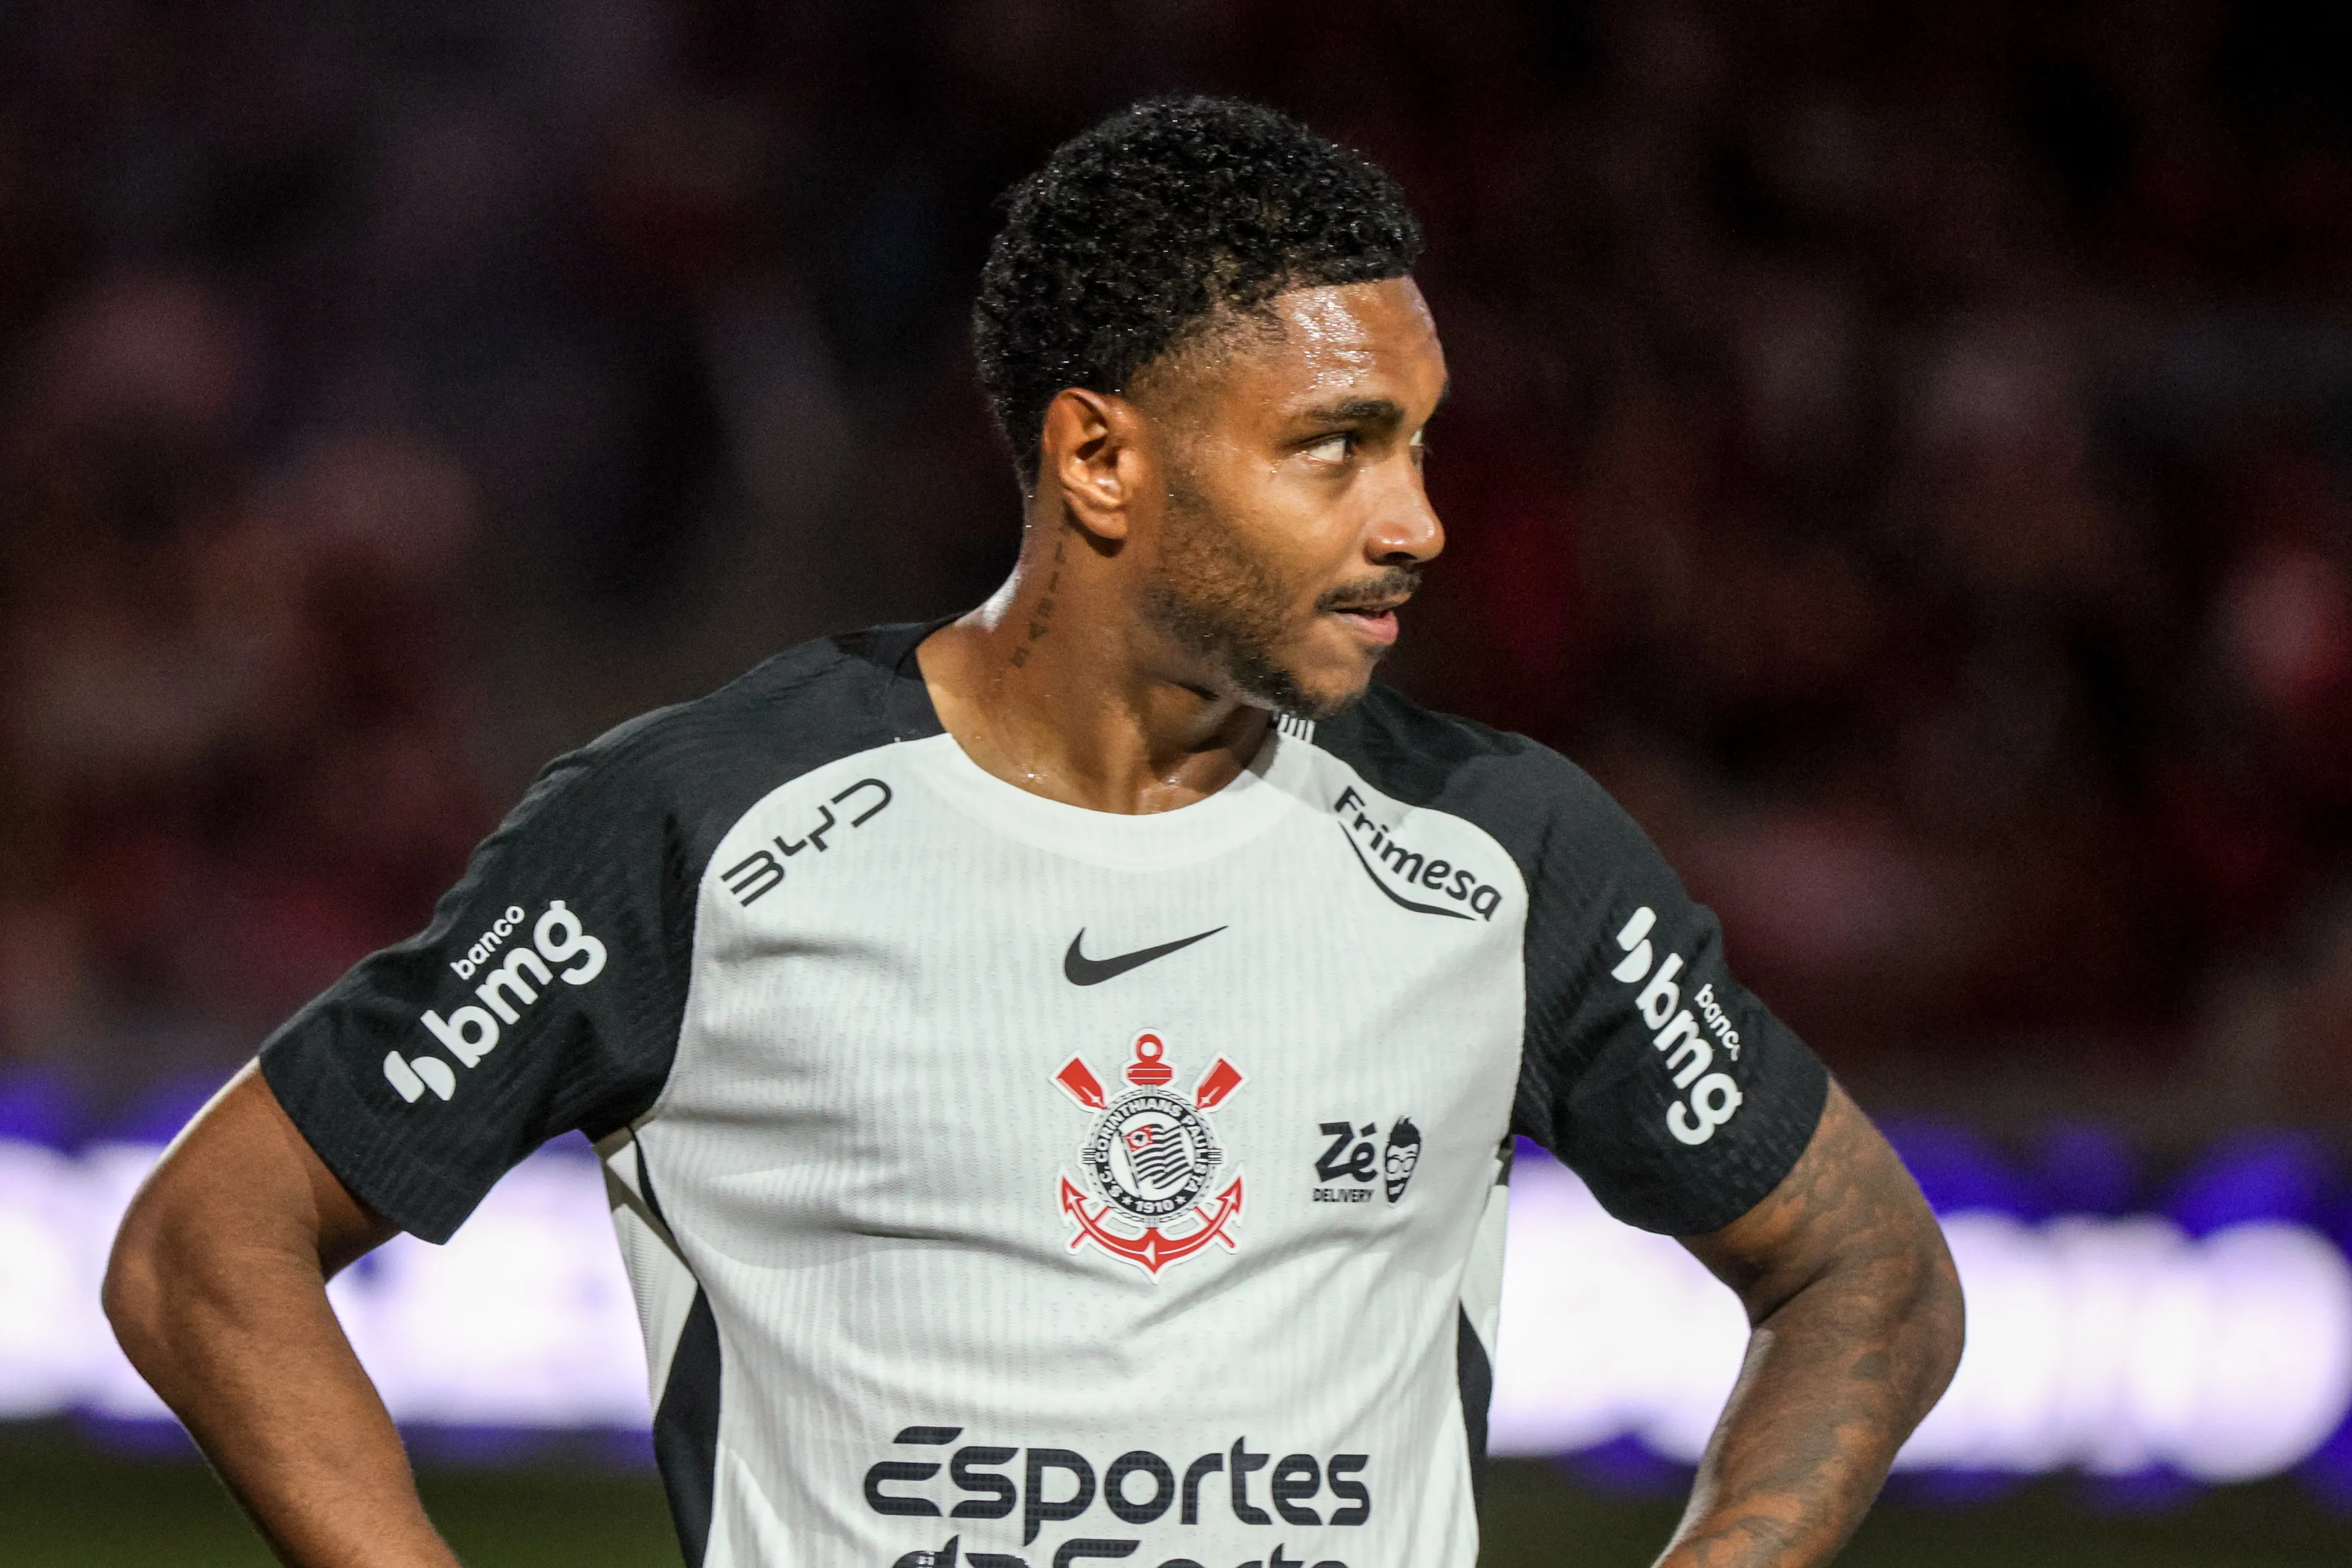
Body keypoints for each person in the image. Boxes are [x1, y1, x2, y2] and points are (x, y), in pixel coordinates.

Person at [105, 97, 1962, 1568]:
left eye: (1422, 444)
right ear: (1100, 461)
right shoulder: (703, 827)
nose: (1419, 522)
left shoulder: (1503, 849)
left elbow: (1868, 1272)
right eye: (1338, 445)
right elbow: (211, 1245)